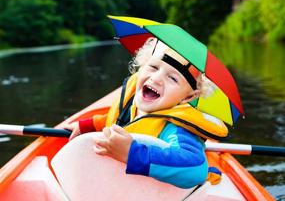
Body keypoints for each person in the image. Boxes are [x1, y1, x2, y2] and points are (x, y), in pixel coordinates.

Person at [64, 37, 228, 188]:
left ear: (188, 97)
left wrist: (132, 153)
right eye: (153, 67)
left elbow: (195, 169)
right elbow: (120, 121)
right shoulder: (134, 103)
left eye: (173, 78)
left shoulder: (175, 129)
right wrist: (89, 125)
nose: (156, 78)